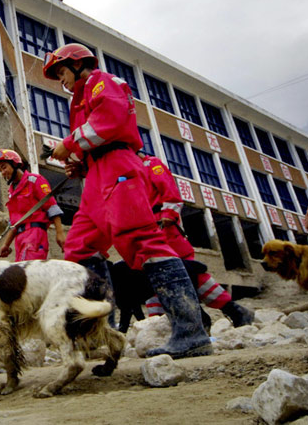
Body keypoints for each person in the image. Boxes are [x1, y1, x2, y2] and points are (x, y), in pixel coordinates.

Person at [44, 43, 211, 359]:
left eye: (62, 72)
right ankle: (97, 335)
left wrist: (69, 145)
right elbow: (94, 137)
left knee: (143, 241)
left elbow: (111, 121)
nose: (61, 80)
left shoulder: (102, 82)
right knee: (78, 246)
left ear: (79, 65)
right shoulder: (79, 101)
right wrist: (79, 162)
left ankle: (191, 332)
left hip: (119, 168)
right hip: (96, 177)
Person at [138, 151, 255, 328]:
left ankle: (230, 310)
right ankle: (164, 323)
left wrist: (168, 215)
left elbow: (170, 192)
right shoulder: (129, 171)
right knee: (153, 275)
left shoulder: (151, 164)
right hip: (145, 230)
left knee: (187, 271)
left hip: (162, 228)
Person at [0, 149, 66, 261]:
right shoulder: (12, 191)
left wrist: (60, 233)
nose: (3, 172)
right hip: (20, 238)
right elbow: (14, 222)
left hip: (35, 234)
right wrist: (5, 245)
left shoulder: (35, 180)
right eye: (0, 170)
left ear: (15, 164)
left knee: (28, 272)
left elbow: (52, 207)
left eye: (4, 167)